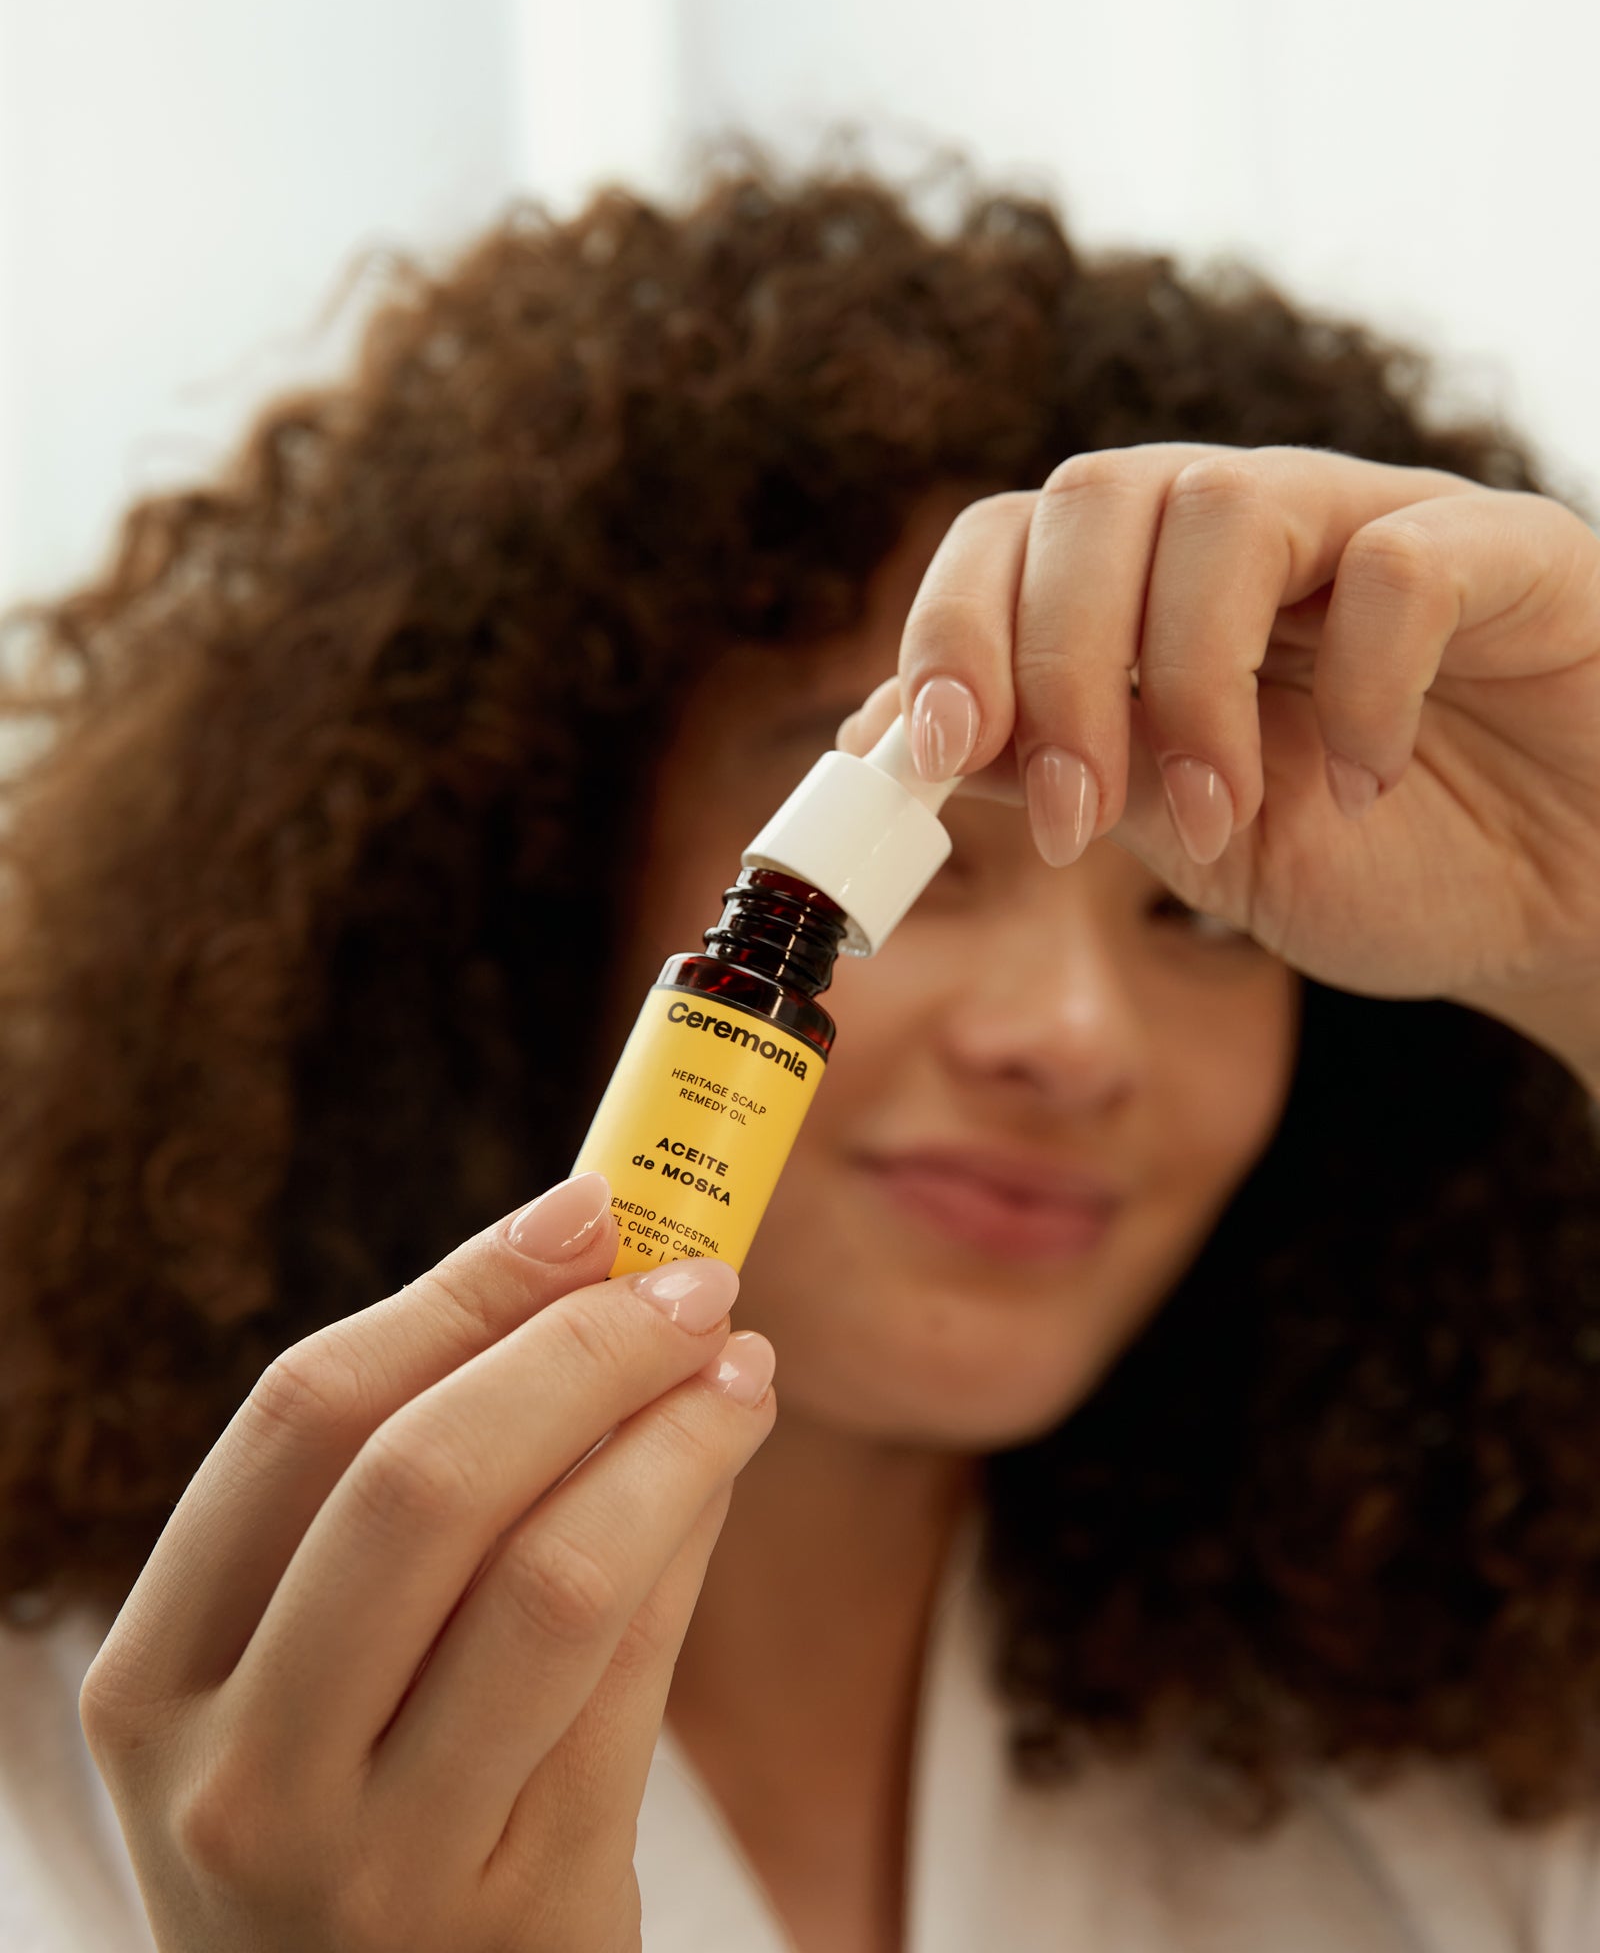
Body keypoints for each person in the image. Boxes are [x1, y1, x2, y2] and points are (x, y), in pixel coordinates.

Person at [1, 155, 1598, 1953]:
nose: (1069, 1042)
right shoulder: (77, 1792)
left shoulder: (1439, 1759)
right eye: (923, 880)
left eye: (1202, 924)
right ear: (517, 874)